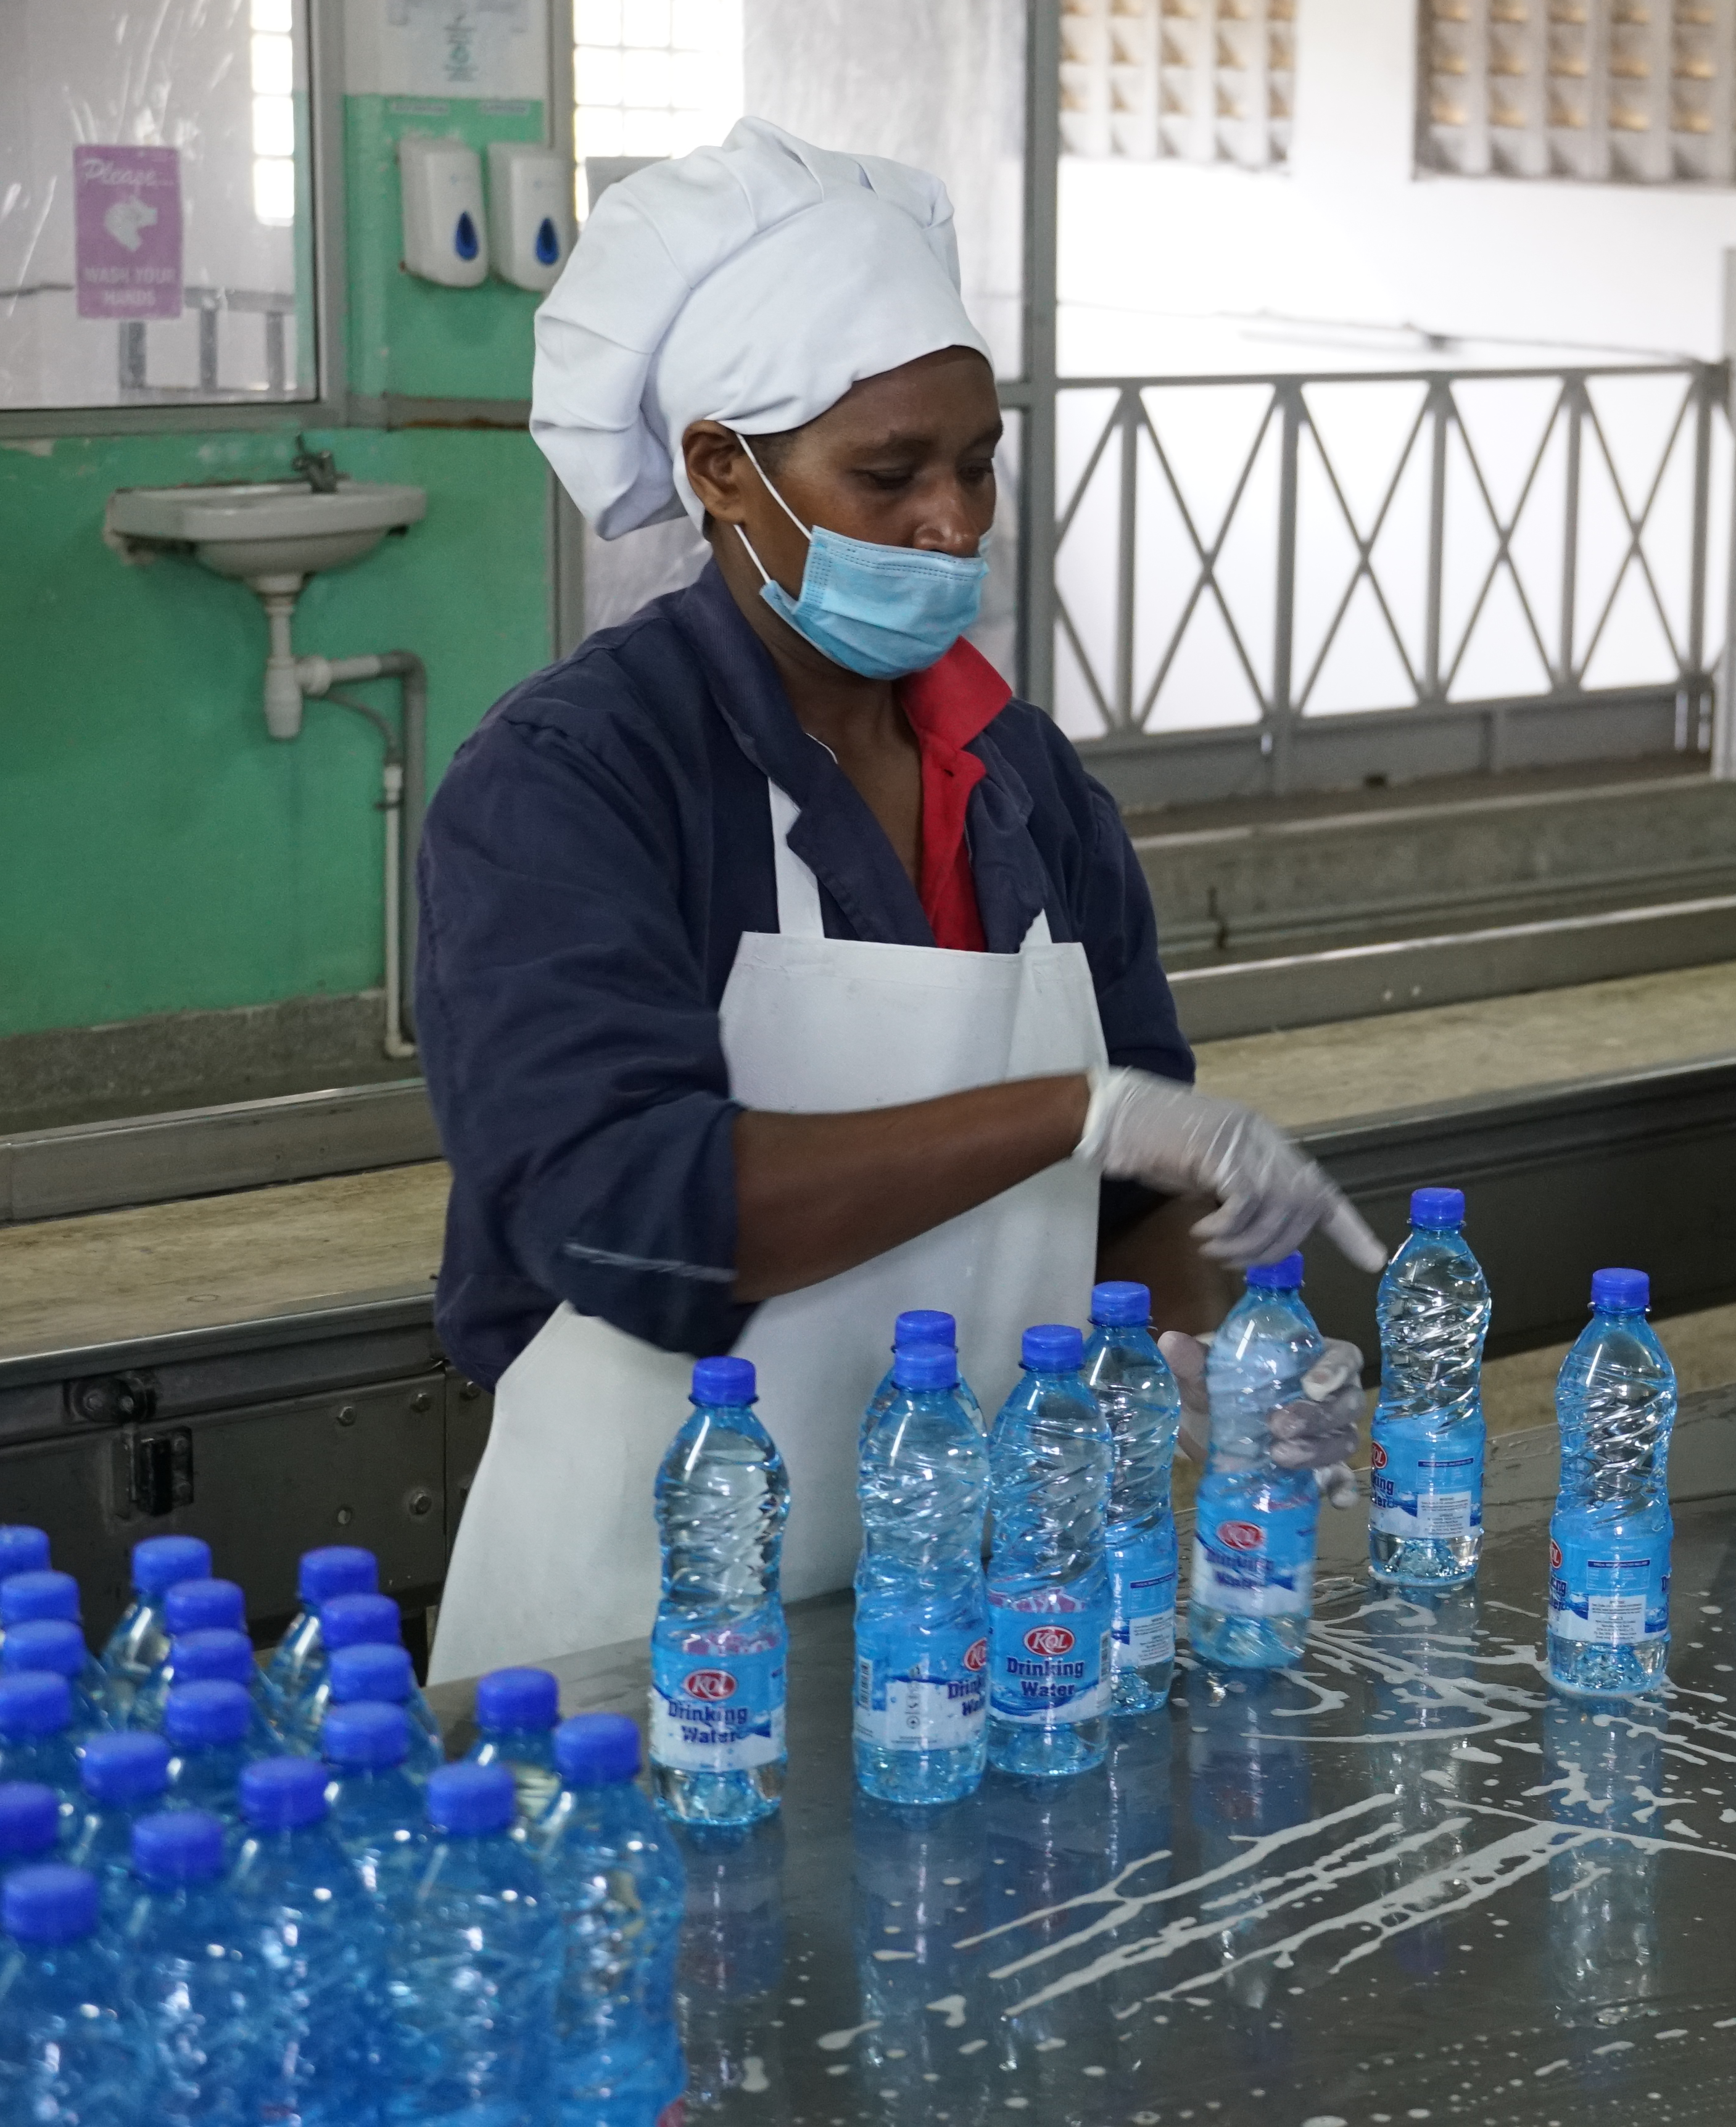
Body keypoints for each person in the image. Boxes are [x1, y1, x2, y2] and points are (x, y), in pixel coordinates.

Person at [416, 120, 1379, 1680]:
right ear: (724, 468)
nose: (955, 521)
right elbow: (626, 1202)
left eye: (979, 462)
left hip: (979, 1604)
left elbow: (1130, 1210)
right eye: (890, 475)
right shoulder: (573, 779)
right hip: (647, 1631)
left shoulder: (1022, 781)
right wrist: (1066, 1111)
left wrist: (1193, 1359)